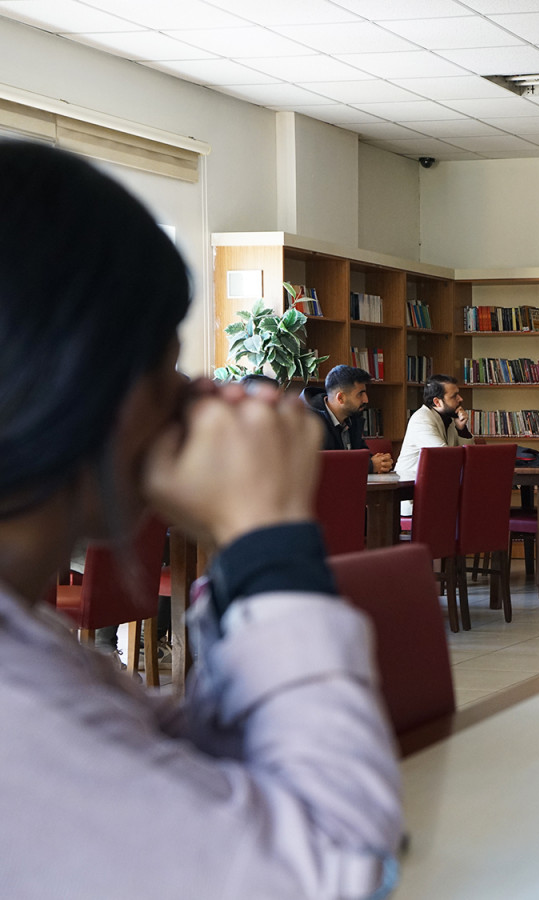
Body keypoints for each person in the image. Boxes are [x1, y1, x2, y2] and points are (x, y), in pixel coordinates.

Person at [0, 142, 401, 897]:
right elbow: (345, 868)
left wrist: (244, 553)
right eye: (166, 366)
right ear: (80, 384)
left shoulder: (28, 634)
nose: (191, 393)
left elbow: (201, 775)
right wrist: (266, 539)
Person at [301, 365, 394, 473]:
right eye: (360, 394)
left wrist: (381, 463)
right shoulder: (308, 422)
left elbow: (362, 455)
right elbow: (320, 467)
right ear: (340, 398)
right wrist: (369, 466)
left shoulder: (352, 418)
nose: (366, 399)